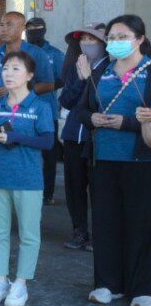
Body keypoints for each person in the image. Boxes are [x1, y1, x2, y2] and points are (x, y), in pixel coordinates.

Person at [71, 15, 151, 306]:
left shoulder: (149, 71)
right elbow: (81, 109)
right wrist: (91, 118)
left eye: (123, 36)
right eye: (113, 38)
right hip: (102, 157)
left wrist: (127, 123)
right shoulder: (101, 70)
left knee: (139, 223)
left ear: (140, 39)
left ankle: (141, 287)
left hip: (141, 159)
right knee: (105, 222)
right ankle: (107, 284)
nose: (116, 43)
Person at [0, 51, 56, 306]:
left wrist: (15, 138)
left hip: (28, 180)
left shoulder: (40, 107)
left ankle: (21, 283)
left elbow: (47, 142)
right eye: (5, 69)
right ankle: (0, 279)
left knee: (29, 235)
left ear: (30, 75)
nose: (8, 74)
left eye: (15, 69)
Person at [58, 23, 108, 252]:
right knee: (74, 187)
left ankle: (101, 234)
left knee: (100, 189)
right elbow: (66, 100)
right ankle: (79, 231)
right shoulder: (74, 66)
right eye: (83, 39)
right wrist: (79, 78)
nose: (87, 43)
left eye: (93, 39)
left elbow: (101, 102)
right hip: (72, 136)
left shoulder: (111, 67)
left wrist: (89, 79)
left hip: (97, 138)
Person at [25, 17, 66, 205]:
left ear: (44, 29)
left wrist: (39, 85)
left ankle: (47, 192)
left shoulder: (55, 54)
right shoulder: (21, 51)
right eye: (30, 28)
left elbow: (61, 79)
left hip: (46, 109)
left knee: (48, 155)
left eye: (37, 28)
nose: (33, 31)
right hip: (23, 110)